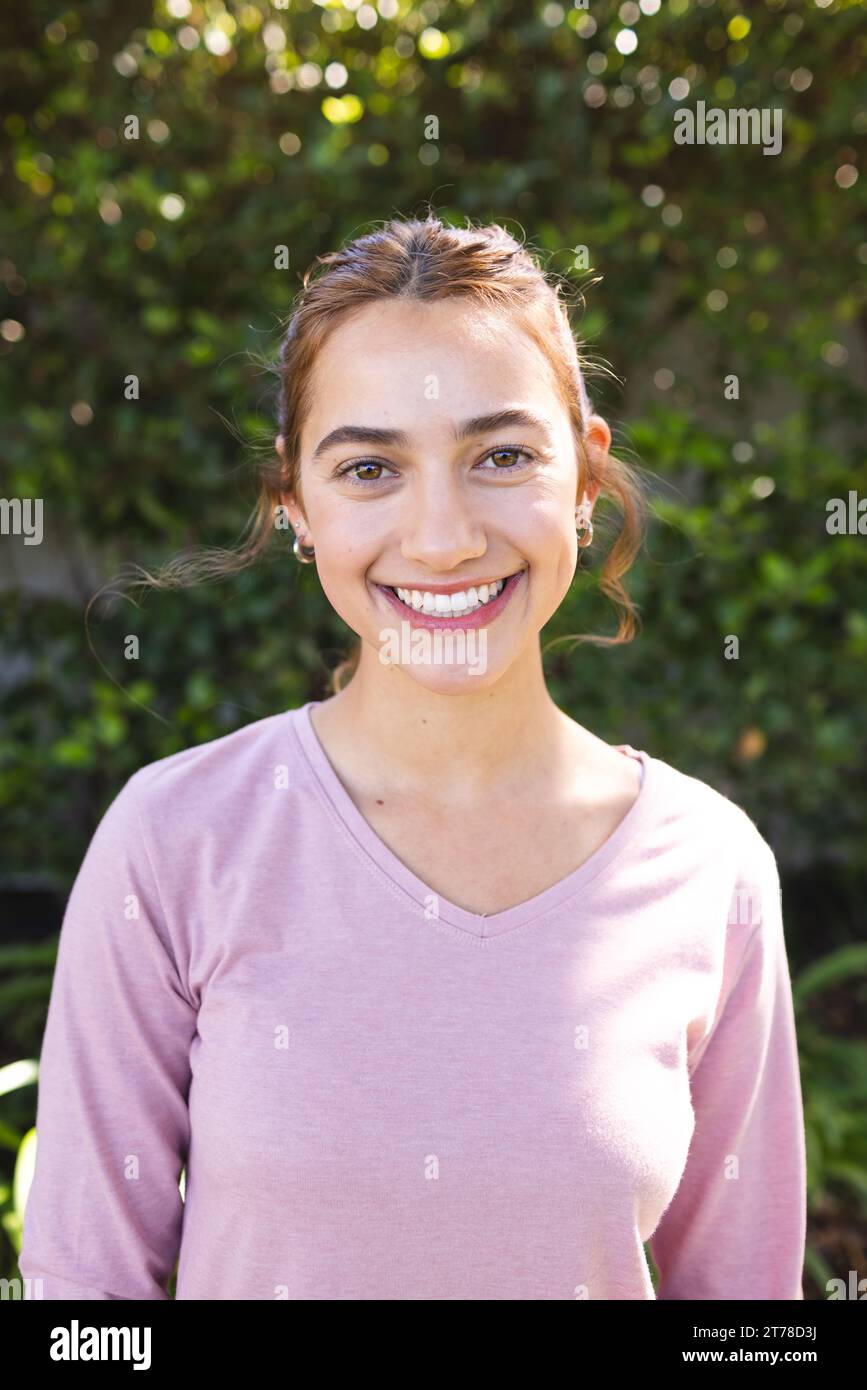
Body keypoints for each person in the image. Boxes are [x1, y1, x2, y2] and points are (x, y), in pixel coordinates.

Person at [18, 215, 806, 1300]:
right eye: (371, 467)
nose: (442, 537)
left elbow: (749, 1317)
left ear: (585, 476)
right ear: (296, 503)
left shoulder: (711, 870)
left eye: (502, 457)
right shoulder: (173, 842)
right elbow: (83, 1308)